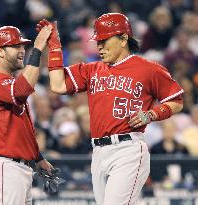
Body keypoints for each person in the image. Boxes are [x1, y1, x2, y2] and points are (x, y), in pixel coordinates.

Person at [37, 13, 184, 205]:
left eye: (105, 40)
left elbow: (176, 100)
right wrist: (55, 47)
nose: (99, 46)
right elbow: (58, 85)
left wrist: (152, 114)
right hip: (98, 151)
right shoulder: (92, 69)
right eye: (98, 41)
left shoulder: (149, 69)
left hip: (128, 149)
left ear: (123, 39)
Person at [0, 25, 54, 205]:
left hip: (12, 167)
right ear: (0, 52)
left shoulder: (2, 82)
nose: (22, 50)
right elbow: (23, 90)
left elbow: (20, 126)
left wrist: (37, 157)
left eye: (23, 46)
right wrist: (38, 48)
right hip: (4, 167)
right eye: (16, 46)